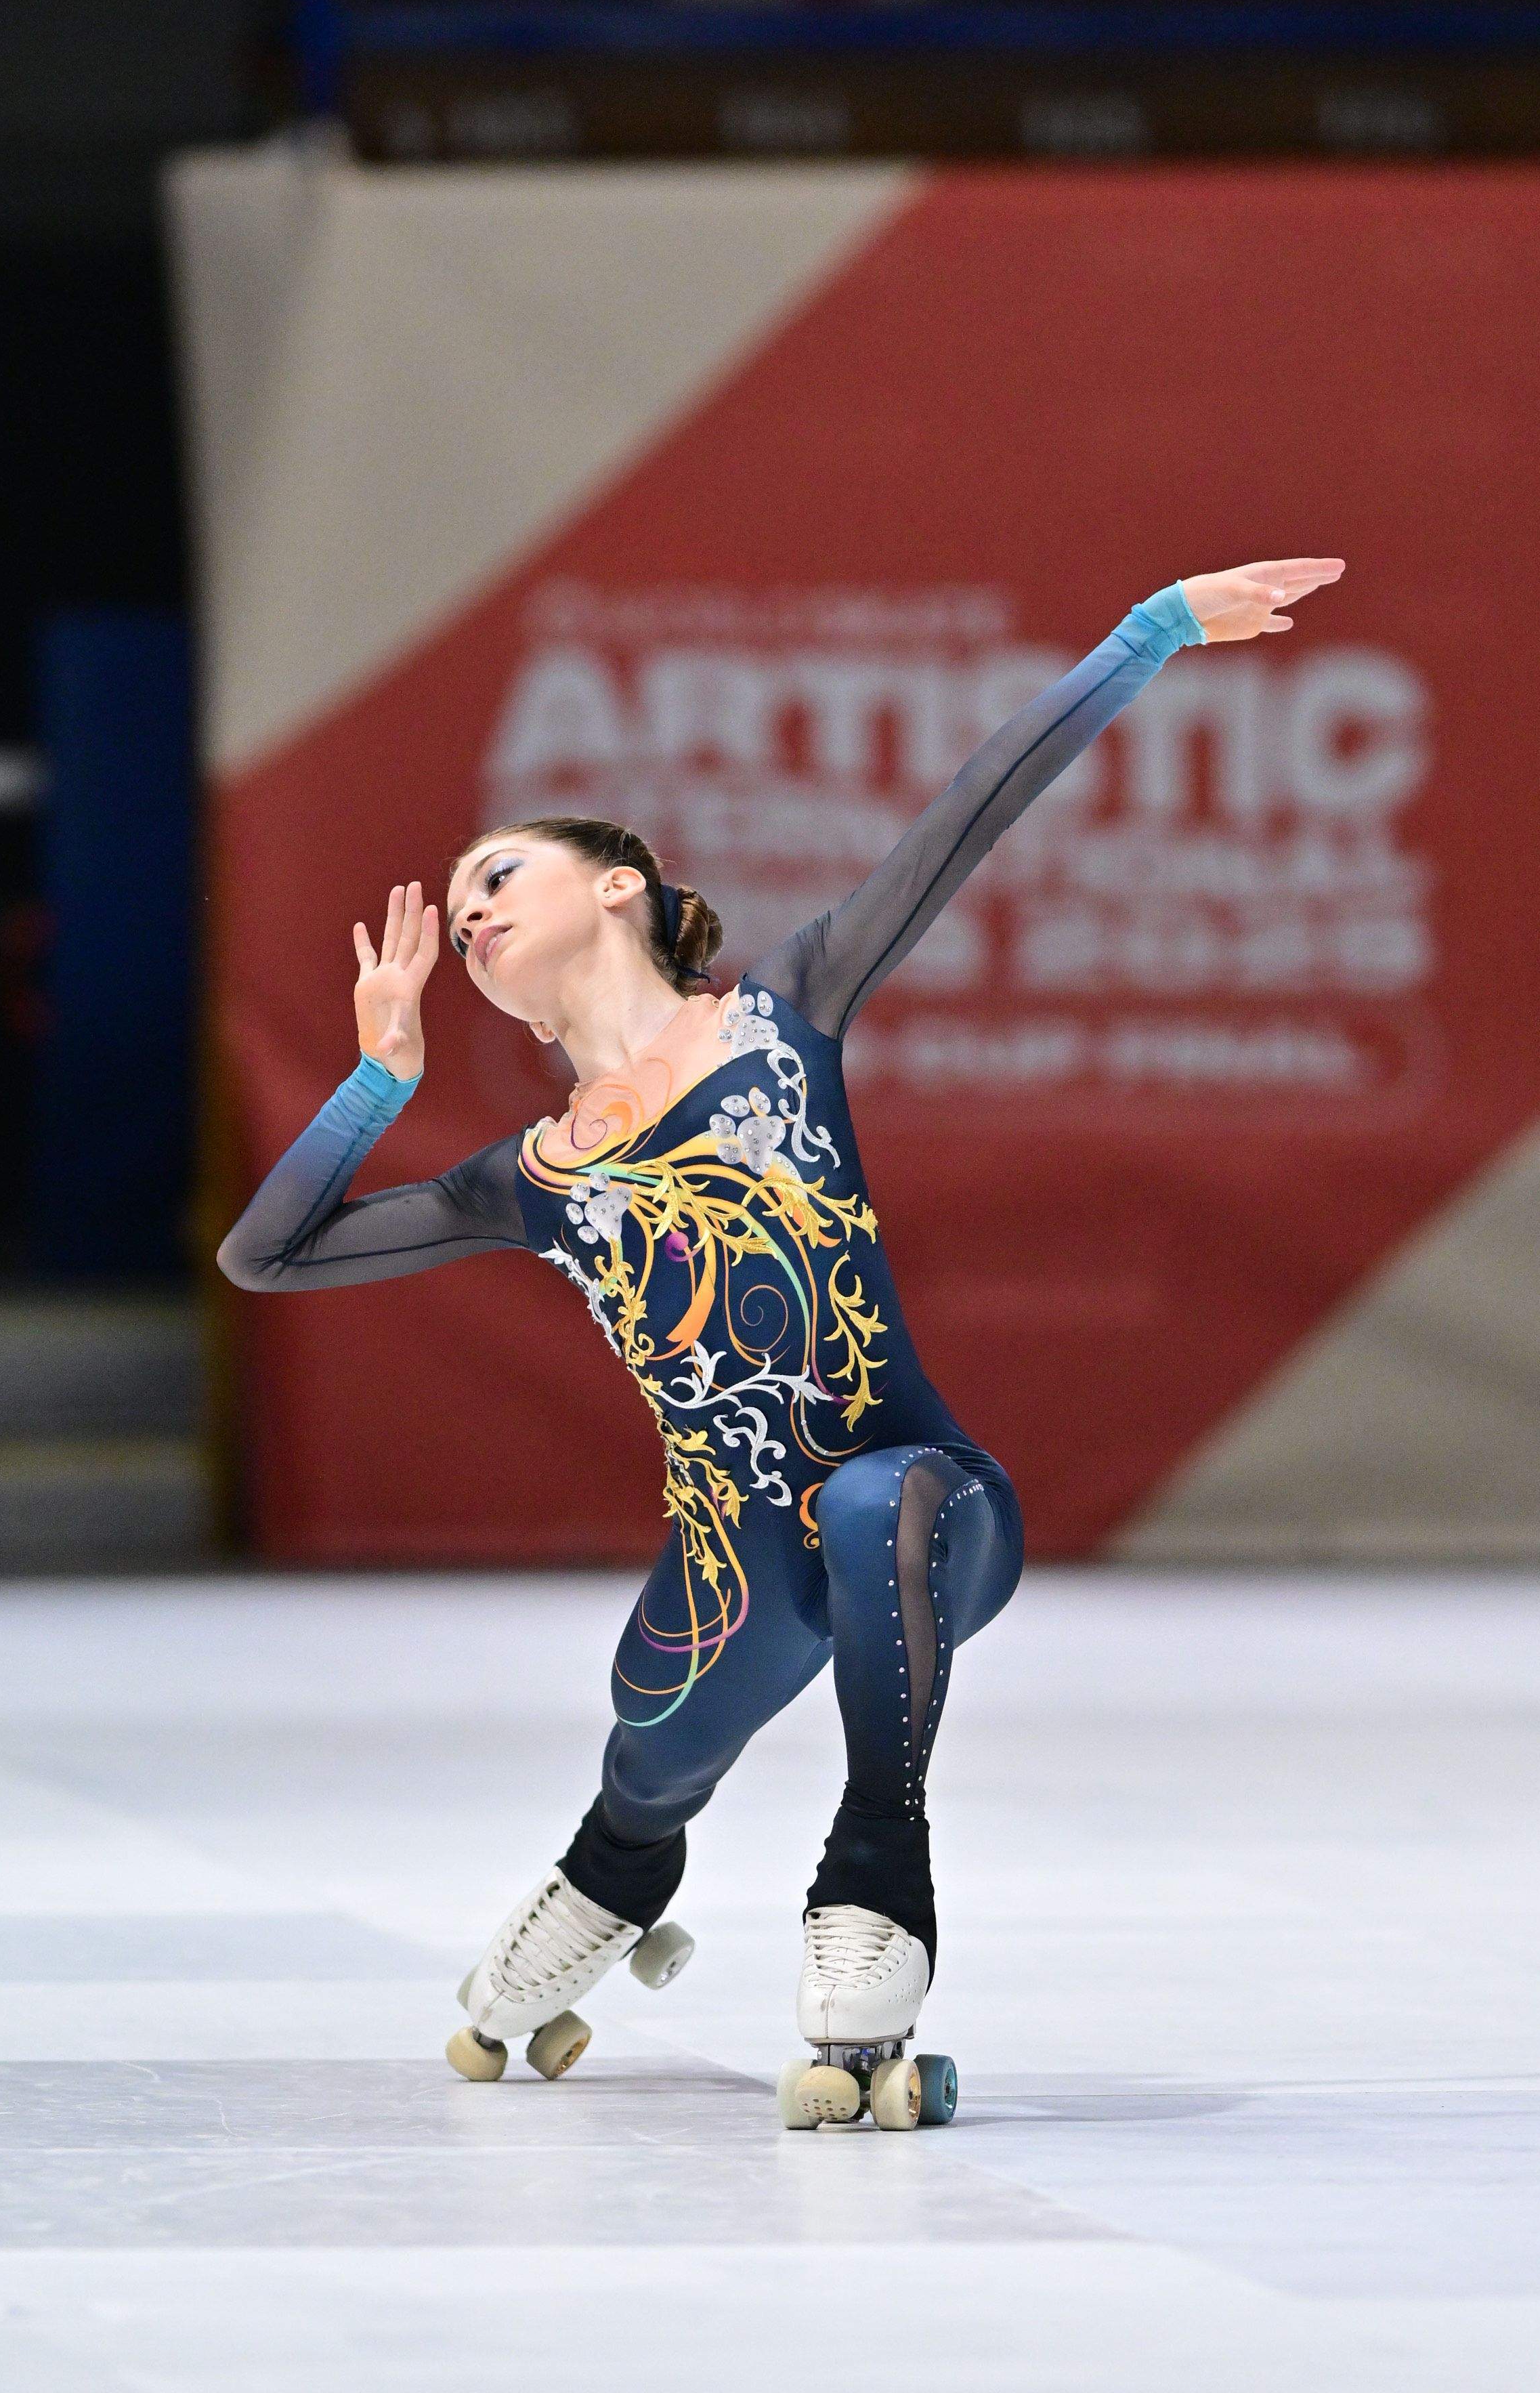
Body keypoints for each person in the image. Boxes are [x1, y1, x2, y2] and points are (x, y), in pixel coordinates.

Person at [219, 557, 1343, 2129]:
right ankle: (610, 1883)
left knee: (874, 1506)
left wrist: (1150, 630)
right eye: (458, 901)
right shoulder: (526, 1178)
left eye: (498, 876)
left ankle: (872, 1883)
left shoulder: (783, 1017)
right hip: (729, 1560)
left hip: (929, 1506)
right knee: (651, 1762)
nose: (465, 911)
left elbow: (972, 808)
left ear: (617, 886)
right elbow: (267, 1255)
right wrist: (378, 1082)